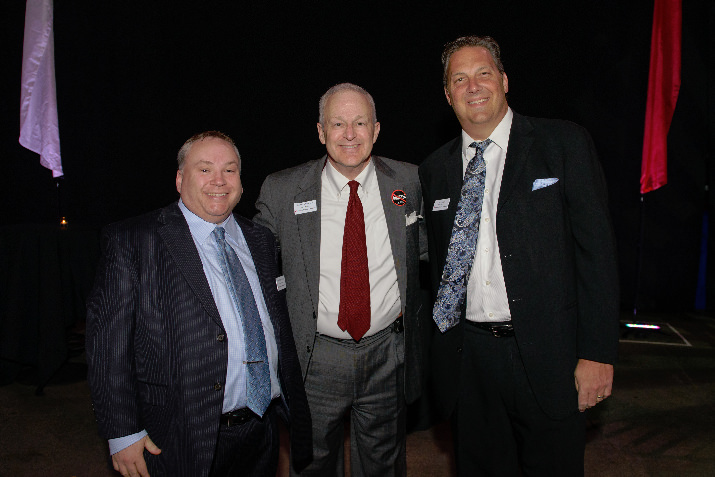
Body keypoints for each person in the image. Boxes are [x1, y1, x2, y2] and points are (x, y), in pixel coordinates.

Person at [419, 36, 620, 476]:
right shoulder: (434, 170)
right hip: (469, 364)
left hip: (551, 360)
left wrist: (598, 352)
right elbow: (434, 269)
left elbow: (598, 255)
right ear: (448, 94)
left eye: (483, 73)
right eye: (460, 79)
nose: (473, 86)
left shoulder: (562, 142)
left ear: (504, 81)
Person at [86, 131, 312, 477]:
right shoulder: (134, 241)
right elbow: (107, 347)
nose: (219, 181)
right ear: (180, 179)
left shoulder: (260, 240)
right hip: (177, 435)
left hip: (260, 430)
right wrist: (122, 431)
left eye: (230, 170)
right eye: (204, 170)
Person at [254, 83, 426, 476]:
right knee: (313, 464)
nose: (350, 134)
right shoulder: (282, 191)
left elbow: (431, 250)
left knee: (384, 464)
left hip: (388, 354)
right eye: (338, 123)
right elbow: (253, 266)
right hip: (316, 359)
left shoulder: (410, 181)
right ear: (320, 131)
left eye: (360, 122)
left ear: (377, 129)